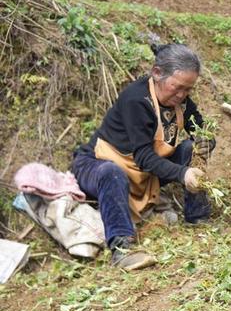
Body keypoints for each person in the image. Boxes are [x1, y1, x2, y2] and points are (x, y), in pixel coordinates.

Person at [72, 43, 216, 270]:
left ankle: (198, 217)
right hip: (98, 165)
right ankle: (121, 249)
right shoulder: (136, 100)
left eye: (188, 90)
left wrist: (206, 142)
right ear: (157, 73)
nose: (181, 95)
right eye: (177, 87)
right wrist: (182, 173)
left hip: (141, 174)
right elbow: (144, 158)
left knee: (190, 148)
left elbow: (199, 129)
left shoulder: (181, 100)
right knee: (111, 173)